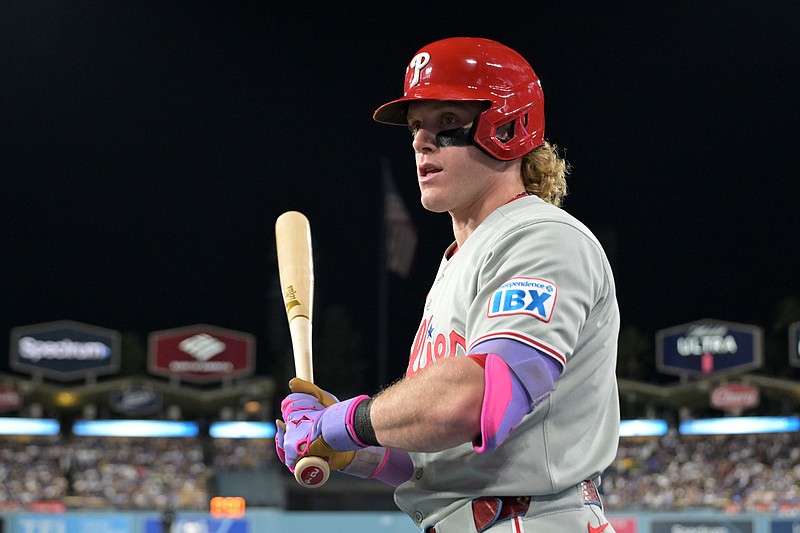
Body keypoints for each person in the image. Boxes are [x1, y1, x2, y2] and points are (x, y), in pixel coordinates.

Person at [275, 36, 620, 532]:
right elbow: (439, 464)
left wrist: (340, 421)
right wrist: (348, 450)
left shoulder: (541, 238)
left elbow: (475, 401)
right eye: (416, 126)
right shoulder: (462, 259)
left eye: (447, 122)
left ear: (509, 127)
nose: (420, 140)